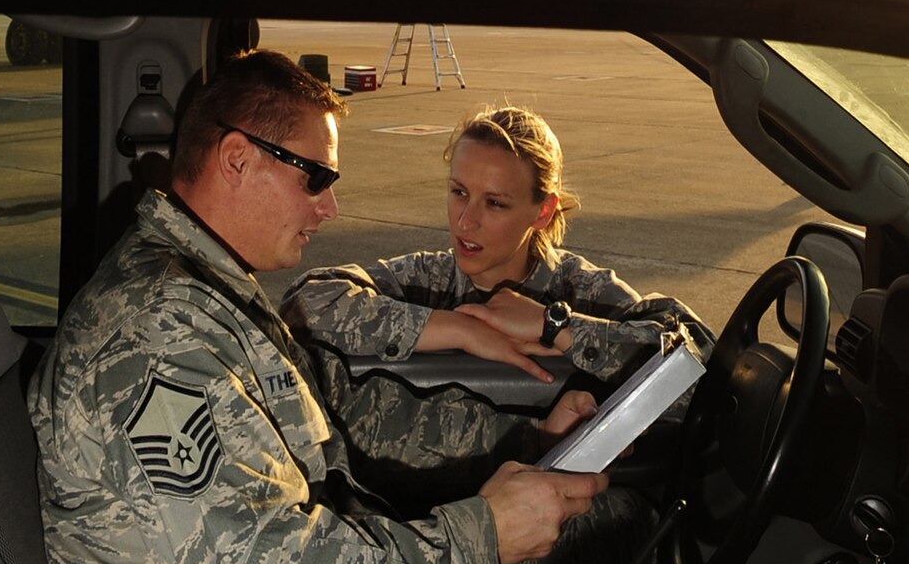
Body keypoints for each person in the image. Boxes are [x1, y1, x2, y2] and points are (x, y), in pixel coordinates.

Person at [28, 51, 852, 564]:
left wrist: (524, 461)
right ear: (238, 158)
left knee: (608, 547)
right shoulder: (156, 337)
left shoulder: (194, 294)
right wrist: (482, 535)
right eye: (314, 177)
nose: (330, 204)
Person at [283, 103, 715, 391]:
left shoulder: (582, 292)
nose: (465, 221)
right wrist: (460, 329)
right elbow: (305, 303)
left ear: (542, 213)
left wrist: (556, 327)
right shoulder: (427, 282)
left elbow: (696, 367)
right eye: (458, 192)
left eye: (495, 203)